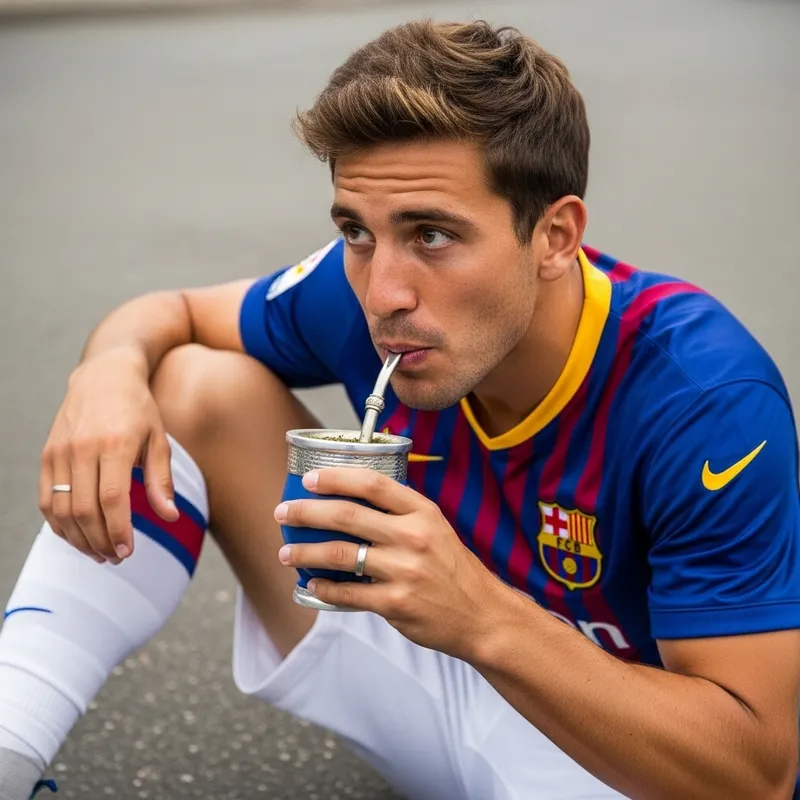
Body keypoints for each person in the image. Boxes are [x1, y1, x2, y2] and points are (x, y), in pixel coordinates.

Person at [1, 19, 798, 800]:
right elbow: (168, 311)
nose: (384, 294)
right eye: (356, 230)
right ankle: (11, 739)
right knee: (189, 385)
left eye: (433, 235)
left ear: (555, 237)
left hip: (614, 753)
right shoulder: (363, 291)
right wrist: (106, 370)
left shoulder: (704, 400)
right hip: (440, 677)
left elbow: (752, 775)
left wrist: (483, 615)